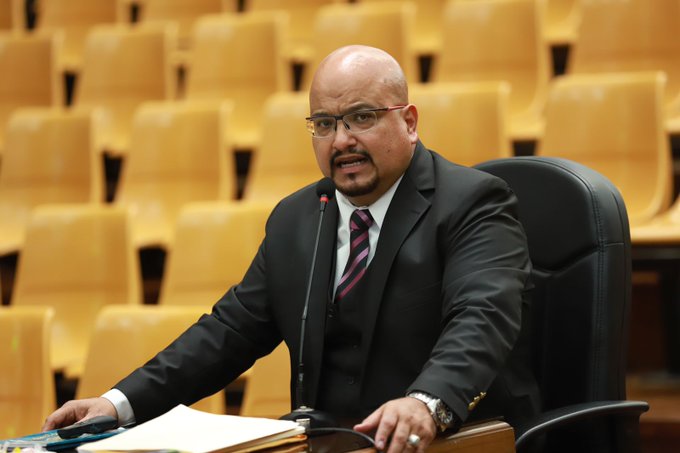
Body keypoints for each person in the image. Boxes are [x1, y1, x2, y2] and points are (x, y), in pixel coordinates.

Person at [43, 45, 540, 452]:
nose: (341, 141)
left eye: (361, 117)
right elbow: (230, 330)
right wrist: (118, 403)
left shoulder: (473, 202)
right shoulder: (297, 218)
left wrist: (426, 403)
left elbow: (482, 317)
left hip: (455, 440)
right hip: (330, 443)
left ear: (409, 122)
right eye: (324, 124)